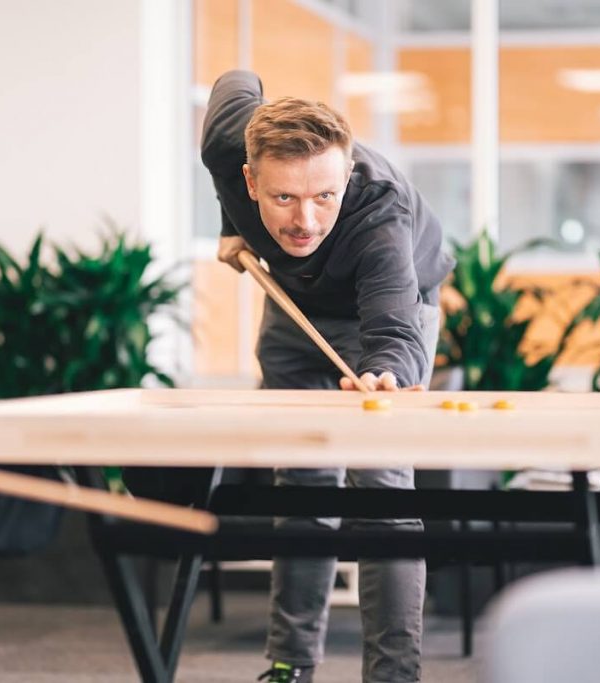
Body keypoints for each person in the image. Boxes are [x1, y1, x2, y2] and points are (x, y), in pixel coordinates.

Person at [201, 70, 453, 683]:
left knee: (382, 491)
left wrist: (387, 375)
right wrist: (231, 225)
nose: (306, 220)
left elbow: (392, 328)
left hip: (392, 303)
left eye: (324, 196)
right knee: (303, 490)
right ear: (250, 177)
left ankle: (393, 676)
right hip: (294, 308)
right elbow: (237, 78)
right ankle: (290, 663)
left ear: (345, 179)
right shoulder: (225, 145)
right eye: (283, 197)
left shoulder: (378, 214)